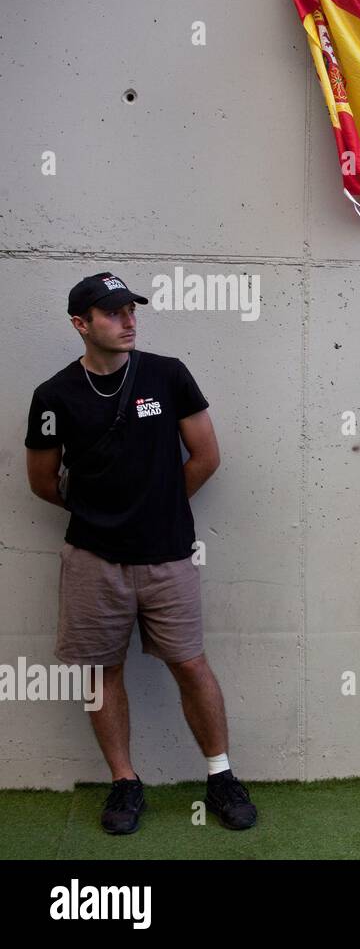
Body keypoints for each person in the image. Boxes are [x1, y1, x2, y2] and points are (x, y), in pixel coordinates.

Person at [24, 272, 256, 835]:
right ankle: (126, 783)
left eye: (131, 309)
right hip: (92, 559)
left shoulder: (167, 374)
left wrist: (158, 510)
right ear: (82, 324)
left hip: (168, 555)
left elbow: (205, 456)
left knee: (190, 662)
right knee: (103, 672)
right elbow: (42, 481)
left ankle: (220, 775)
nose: (129, 321)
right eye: (112, 313)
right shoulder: (53, 396)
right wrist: (105, 517)